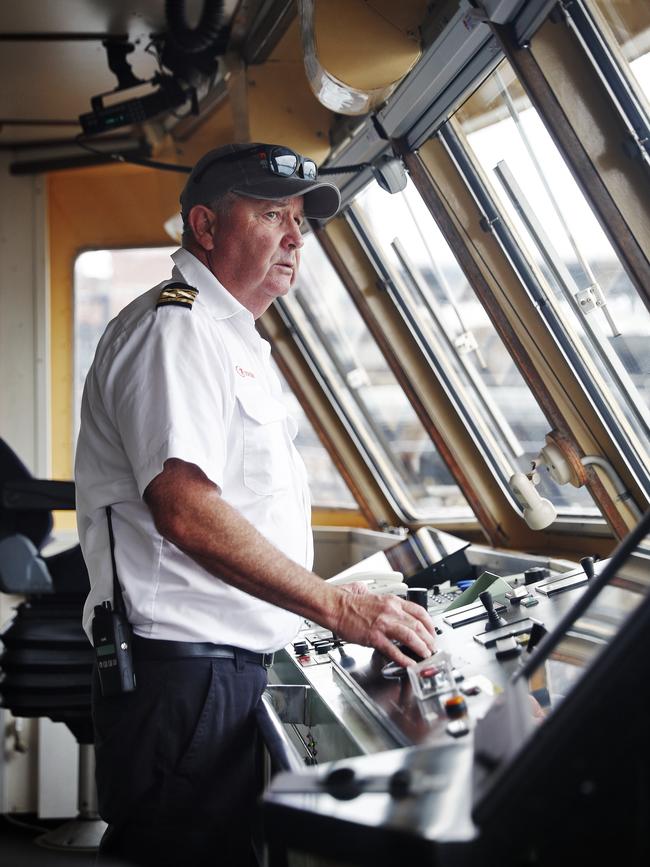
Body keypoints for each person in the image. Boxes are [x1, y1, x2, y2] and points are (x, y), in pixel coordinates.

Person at [75, 142, 436, 867]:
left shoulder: (228, 336)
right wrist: (336, 608)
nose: (296, 237)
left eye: (299, 219)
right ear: (205, 227)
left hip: (219, 671)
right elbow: (185, 509)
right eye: (273, 213)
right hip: (184, 677)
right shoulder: (174, 331)